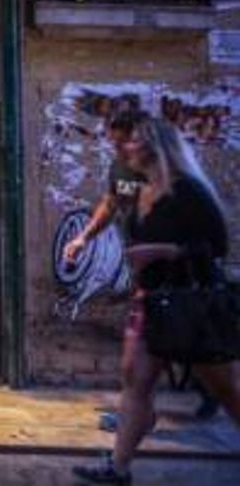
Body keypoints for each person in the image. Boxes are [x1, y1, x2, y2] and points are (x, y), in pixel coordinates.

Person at [73, 118, 239, 485]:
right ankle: (118, 468)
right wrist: (85, 239)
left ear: (153, 148)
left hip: (189, 307)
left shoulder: (189, 192)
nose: (125, 148)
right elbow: (110, 204)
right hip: (149, 303)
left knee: (227, 391)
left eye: (132, 142)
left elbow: (217, 248)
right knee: (135, 384)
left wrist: (166, 250)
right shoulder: (141, 189)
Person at [63, 109, 149, 266]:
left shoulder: (168, 171)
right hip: (138, 254)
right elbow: (111, 203)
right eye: (115, 144)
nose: (118, 150)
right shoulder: (118, 167)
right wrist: (83, 237)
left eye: (123, 143)